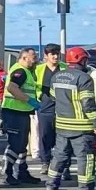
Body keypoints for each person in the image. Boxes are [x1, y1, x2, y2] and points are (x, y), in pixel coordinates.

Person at [45, 47, 96, 190]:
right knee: (86, 158)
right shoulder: (84, 78)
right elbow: (88, 104)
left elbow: (53, 97)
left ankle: (52, 184)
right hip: (81, 127)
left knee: (59, 156)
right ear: (82, 60)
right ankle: (86, 189)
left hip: (62, 125)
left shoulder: (56, 76)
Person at [0, 48, 42, 186]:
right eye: (33, 57)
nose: (35, 59)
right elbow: (12, 88)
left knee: (22, 145)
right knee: (15, 144)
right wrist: (29, 100)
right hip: (14, 111)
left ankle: (21, 172)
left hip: (21, 112)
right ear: (24, 58)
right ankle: (6, 172)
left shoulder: (26, 71)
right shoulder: (20, 71)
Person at [33, 44, 66, 175]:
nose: (56, 56)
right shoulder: (39, 69)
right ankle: (45, 162)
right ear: (46, 56)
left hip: (63, 107)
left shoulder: (64, 68)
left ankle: (63, 165)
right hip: (45, 106)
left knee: (62, 137)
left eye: (57, 53)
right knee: (45, 135)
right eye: (52, 54)